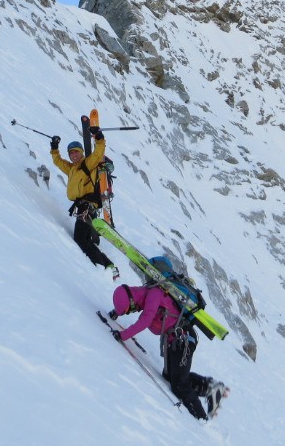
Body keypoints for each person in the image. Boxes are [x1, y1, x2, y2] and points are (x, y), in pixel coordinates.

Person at [108, 283, 228, 420]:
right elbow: (128, 303)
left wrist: (122, 335)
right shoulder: (143, 294)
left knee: (179, 386)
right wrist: (117, 312)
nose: (131, 311)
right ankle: (211, 388)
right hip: (175, 341)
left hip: (184, 340)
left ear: (131, 300)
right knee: (170, 376)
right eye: (127, 311)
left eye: (129, 309)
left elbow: (145, 321)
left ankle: (201, 419)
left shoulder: (153, 295)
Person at [50, 128, 119, 278]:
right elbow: (57, 161)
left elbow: (99, 152)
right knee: (86, 239)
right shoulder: (71, 168)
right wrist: (55, 147)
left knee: (80, 239)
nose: (74, 155)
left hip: (87, 205)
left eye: (76, 151)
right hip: (82, 206)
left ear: (81, 152)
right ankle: (110, 267)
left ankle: (102, 268)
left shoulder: (87, 164)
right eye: (71, 153)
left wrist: (98, 136)